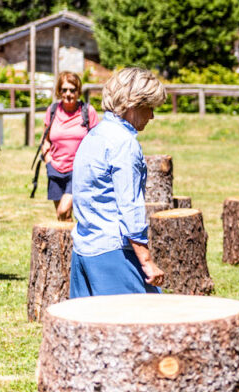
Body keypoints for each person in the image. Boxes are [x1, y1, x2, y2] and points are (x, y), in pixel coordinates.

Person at [70, 68, 167, 298]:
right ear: (134, 104)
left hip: (84, 249)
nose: (151, 116)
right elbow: (130, 206)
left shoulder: (94, 135)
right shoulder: (124, 144)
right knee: (142, 325)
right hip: (113, 253)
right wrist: (146, 260)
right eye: (150, 108)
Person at [40, 72, 99, 221]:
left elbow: (98, 141)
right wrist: (48, 161)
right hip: (55, 169)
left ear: (78, 91)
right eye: (64, 90)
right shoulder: (52, 110)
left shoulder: (87, 111)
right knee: (63, 217)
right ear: (59, 91)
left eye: (72, 90)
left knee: (63, 210)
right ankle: (70, 245)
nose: (68, 94)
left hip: (78, 170)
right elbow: (45, 139)